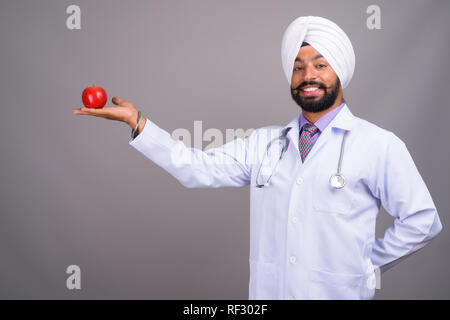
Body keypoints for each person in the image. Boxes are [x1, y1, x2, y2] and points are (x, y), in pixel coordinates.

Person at [73, 16, 442, 300]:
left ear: (339, 72)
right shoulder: (264, 143)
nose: (307, 75)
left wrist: (363, 266)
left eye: (319, 64)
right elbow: (193, 168)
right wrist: (138, 122)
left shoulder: (379, 145)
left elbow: (422, 221)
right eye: (298, 66)